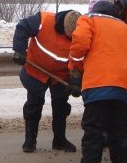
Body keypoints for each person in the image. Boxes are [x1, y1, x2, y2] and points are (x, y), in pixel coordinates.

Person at [69, 0, 127, 163]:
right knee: (119, 124)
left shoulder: (89, 20)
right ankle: (121, 162)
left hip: (99, 81)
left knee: (94, 125)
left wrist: (75, 66)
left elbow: (80, 43)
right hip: (123, 83)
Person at [12, 10, 81, 153]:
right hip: (36, 70)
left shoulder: (81, 35)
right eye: (69, 36)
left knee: (61, 107)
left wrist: (75, 82)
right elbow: (22, 27)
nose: (71, 39)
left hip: (61, 76)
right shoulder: (44, 21)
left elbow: (78, 60)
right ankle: (30, 141)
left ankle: (59, 141)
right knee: (34, 104)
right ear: (63, 28)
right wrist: (19, 50)